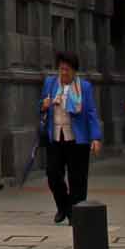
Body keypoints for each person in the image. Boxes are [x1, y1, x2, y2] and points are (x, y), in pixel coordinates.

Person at [39, 49, 103, 222]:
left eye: (67, 69)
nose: (64, 72)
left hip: (77, 139)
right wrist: (44, 105)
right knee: (53, 175)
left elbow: (91, 113)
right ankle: (63, 206)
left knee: (78, 179)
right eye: (61, 68)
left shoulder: (84, 87)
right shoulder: (50, 84)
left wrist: (96, 137)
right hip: (56, 137)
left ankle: (76, 214)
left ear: (74, 71)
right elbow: (43, 106)